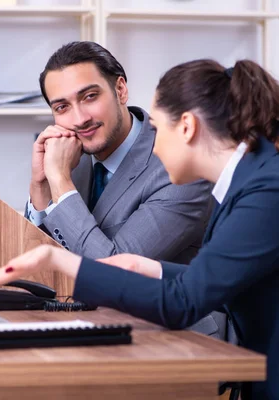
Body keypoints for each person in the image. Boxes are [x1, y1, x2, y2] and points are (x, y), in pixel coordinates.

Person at [0, 59, 279, 399]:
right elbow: (227, 277)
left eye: (159, 129)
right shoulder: (258, 176)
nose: (156, 147)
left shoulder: (271, 189)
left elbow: (184, 303)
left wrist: (59, 260)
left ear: (187, 126)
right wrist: (150, 267)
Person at [26, 41, 213, 264]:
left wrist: (59, 180)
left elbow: (114, 273)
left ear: (120, 90)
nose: (80, 119)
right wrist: (41, 185)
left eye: (90, 96)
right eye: (62, 107)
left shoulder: (182, 169)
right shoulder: (72, 159)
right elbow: (39, 265)